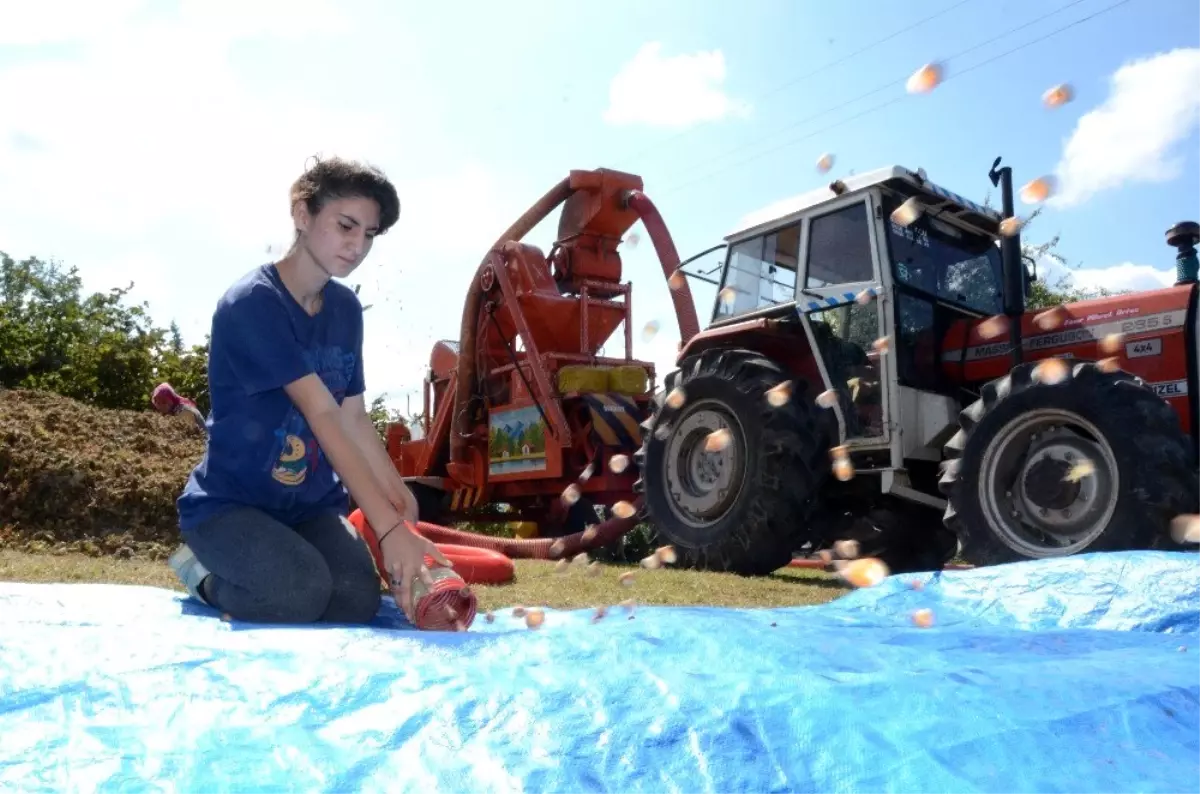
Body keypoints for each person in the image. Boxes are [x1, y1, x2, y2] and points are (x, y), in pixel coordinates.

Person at [168, 155, 450, 625]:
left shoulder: (345, 309)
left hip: (310, 506)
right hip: (232, 506)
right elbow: (322, 412)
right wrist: (385, 528)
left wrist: (399, 500)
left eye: (369, 234)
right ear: (303, 214)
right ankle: (203, 576)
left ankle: (282, 565)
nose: (357, 245)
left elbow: (354, 416)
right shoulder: (253, 303)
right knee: (298, 594)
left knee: (354, 602)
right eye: (345, 226)